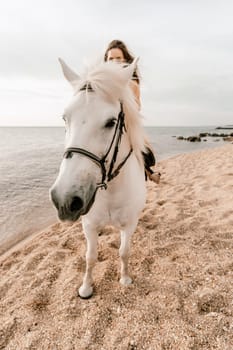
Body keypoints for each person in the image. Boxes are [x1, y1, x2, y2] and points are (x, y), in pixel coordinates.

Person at [104, 39, 160, 184]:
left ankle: (149, 172)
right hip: (105, 123)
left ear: (125, 61)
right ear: (106, 61)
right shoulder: (101, 82)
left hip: (126, 124)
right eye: (111, 59)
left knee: (140, 148)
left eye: (118, 58)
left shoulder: (132, 84)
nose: (114, 62)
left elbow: (137, 108)